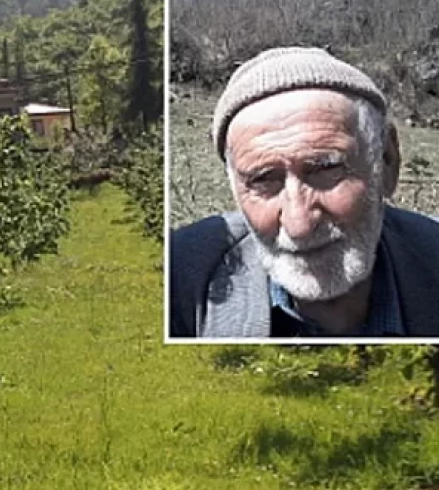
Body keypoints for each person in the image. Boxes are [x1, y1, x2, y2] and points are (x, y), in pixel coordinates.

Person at [169, 47, 439, 338]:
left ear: (386, 162)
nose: (299, 225)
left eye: (325, 170)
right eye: (263, 180)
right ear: (234, 187)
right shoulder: (182, 279)